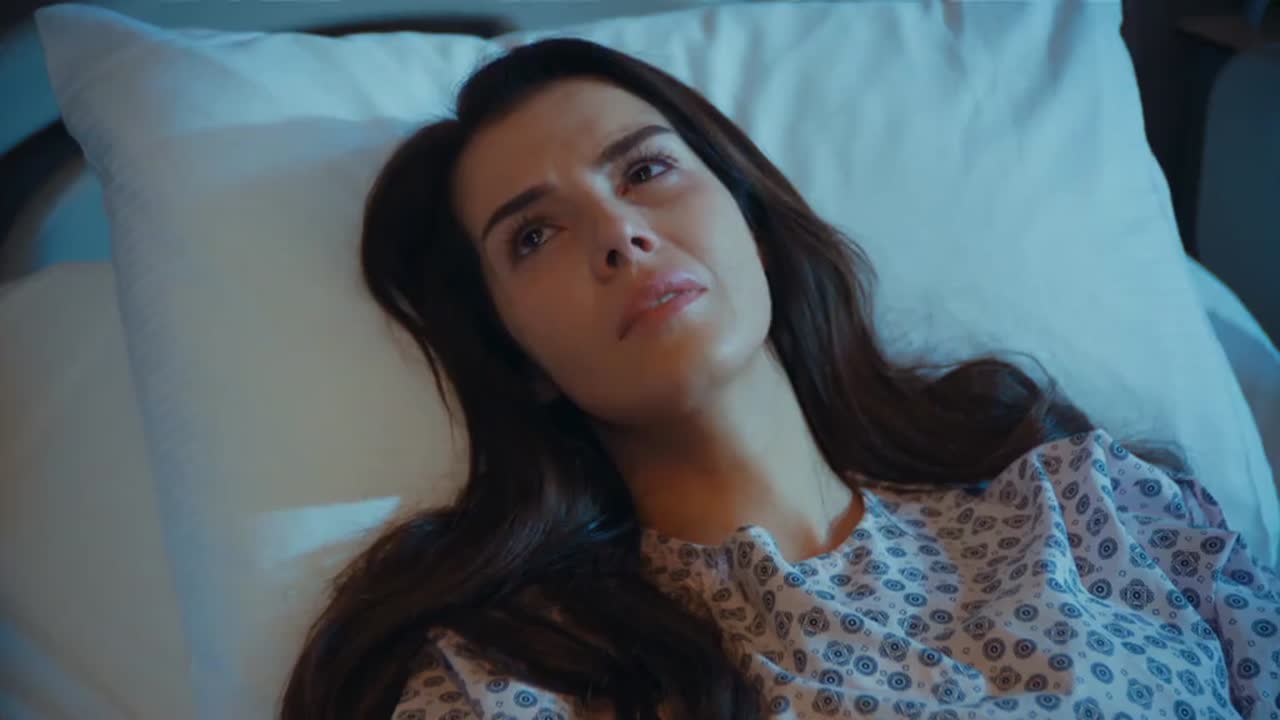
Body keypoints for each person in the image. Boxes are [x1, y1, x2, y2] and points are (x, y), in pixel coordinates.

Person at [281, 38, 1280, 720]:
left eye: (645, 170)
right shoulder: (510, 682)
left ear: (752, 224)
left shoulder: (1084, 501)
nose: (619, 234)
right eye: (534, 235)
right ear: (517, 360)